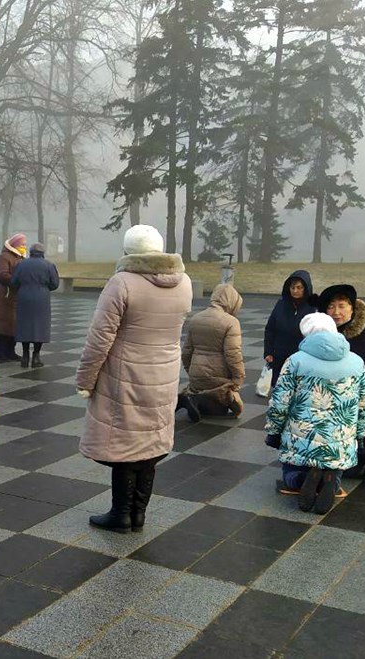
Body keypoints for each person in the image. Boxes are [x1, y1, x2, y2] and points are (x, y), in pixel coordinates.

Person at [76, 225, 192, 534]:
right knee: (151, 441)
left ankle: (121, 514)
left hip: (126, 374)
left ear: (128, 251)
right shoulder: (185, 283)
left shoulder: (122, 282)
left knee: (126, 444)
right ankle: (139, 514)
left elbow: (100, 338)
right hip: (164, 373)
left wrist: (85, 379)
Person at [266, 313, 365, 514]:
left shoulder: (295, 361)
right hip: (340, 439)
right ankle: (331, 480)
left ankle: (301, 479)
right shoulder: (356, 362)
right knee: (336, 464)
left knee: (290, 470)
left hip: (302, 437)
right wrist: (360, 434)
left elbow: (280, 401)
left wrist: (273, 431)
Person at [315, 284, 365, 477]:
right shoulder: (317, 336)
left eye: (342, 306)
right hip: (323, 411)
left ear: (352, 308)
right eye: (331, 307)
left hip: (355, 413)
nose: (336, 312)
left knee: (351, 469)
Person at [180, 284, 246, 419]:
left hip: (196, 374)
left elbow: (186, 351)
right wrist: (238, 379)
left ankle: (192, 397)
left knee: (200, 387)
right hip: (218, 378)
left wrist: (191, 370)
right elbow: (233, 354)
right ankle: (217, 401)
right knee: (233, 404)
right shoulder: (231, 322)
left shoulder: (196, 318)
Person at [264, 270, 315, 387]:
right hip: (280, 356)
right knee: (279, 390)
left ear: (306, 288)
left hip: (302, 357)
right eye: (292, 288)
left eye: (299, 288)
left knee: (299, 391)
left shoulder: (313, 307)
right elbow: (270, 329)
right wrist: (268, 351)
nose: (295, 291)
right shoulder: (281, 304)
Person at [12, 243, 59, 368]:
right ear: (42, 253)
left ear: (31, 252)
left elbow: (13, 281)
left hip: (24, 297)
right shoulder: (49, 265)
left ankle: (25, 355)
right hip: (41, 298)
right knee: (40, 326)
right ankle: (36, 356)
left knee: (24, 325)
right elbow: (55, 284)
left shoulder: (21, 264)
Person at [0, 233, 27, 362]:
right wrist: (17, 281)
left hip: (16, 296)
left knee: (13, 326)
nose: (24, 246)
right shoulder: (4, 257)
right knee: (3, 326)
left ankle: (10, 352)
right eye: (22, 244)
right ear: (15, 245)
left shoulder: (20, 258)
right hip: (5, 296)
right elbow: (2, 275)